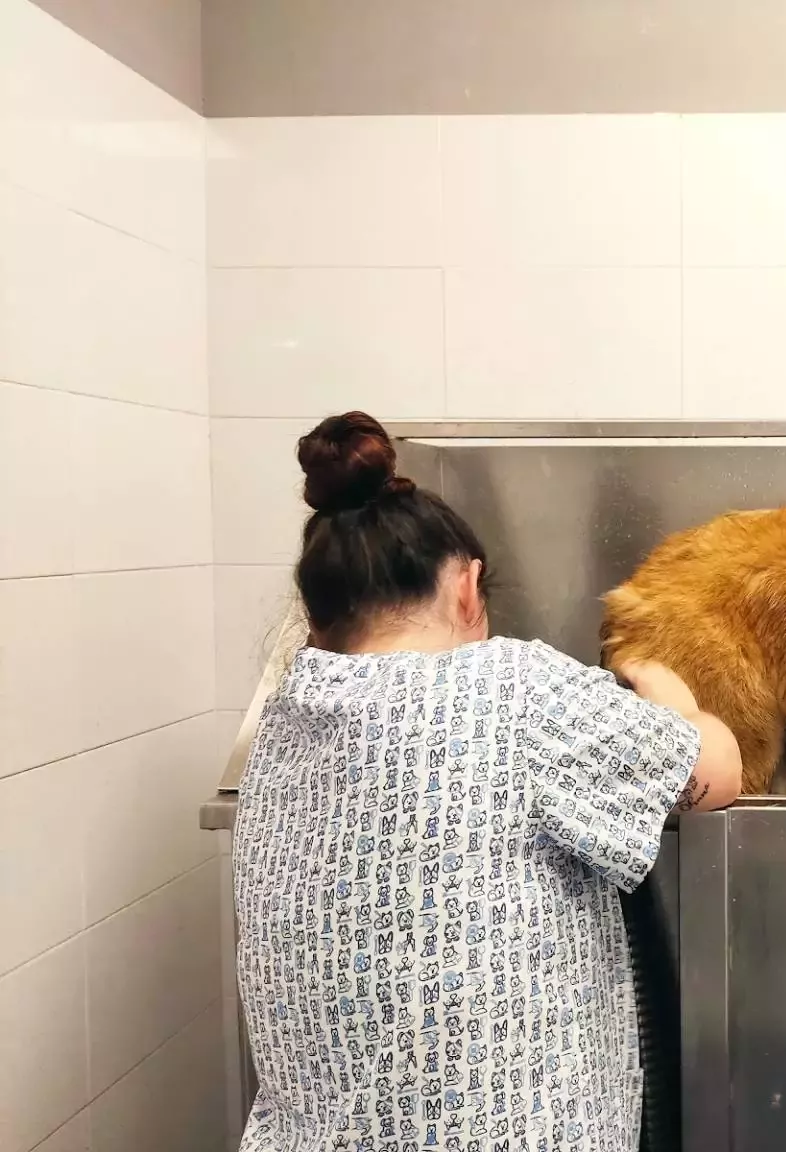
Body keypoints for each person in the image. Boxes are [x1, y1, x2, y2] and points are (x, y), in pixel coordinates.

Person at [232, 411, 742, 1152]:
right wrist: (673, 694)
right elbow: (716, 771)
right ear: (468, 588)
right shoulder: (515, 688)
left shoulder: (282, 720)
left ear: (316, 612)